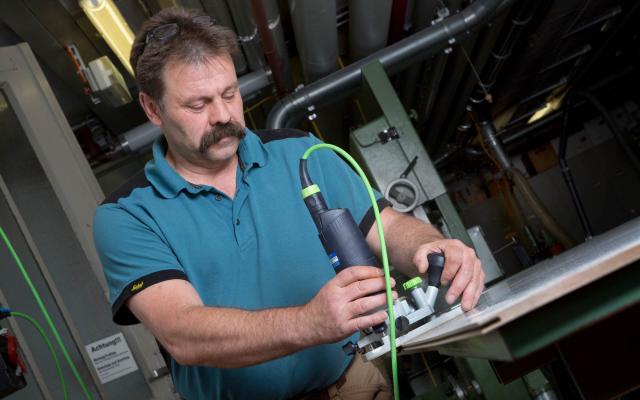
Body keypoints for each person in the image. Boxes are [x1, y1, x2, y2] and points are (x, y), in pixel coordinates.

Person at [93, 7, 485, 400]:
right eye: (197, 105)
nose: (222, 116)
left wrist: (428, 246)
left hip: (351, 385)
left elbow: (387, 227)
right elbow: (183, 333)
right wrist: (308, 322)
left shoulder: (299, 152)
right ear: (152, 108)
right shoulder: (127, 215)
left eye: (230, 94)